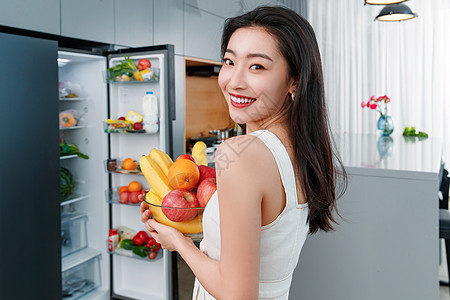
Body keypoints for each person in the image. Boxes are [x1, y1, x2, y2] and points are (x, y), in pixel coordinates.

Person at [140, 6, 346, 300]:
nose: (234, 81)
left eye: (257, 66)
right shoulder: (302, 148)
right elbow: (255, 231)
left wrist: (177, 242)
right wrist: (182, 220)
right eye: (229, 61)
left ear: (295, 80)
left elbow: (238, 295)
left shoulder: (240, 153)